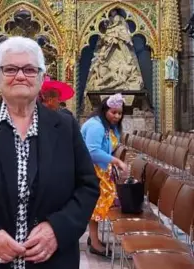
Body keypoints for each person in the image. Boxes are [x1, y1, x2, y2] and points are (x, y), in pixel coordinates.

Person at [0, 36, 99, 269]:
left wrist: (57, 229)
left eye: (30, 69)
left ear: (42, 78)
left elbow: (88, 186)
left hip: (52, 261)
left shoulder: (64, 127)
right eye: (10, 69)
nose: (20, 76)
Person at [80, 93, 128, 257]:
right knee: (96, 205)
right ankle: (94, 242)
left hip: (101, 170)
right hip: (92, 171)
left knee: (100, 204)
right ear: (104, 110)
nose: (116, 116)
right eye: (113, 112)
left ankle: (94, 238)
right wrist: (117, 161)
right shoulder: (96, 126)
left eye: (119, 113)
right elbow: (92, 152)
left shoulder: (107, 125)